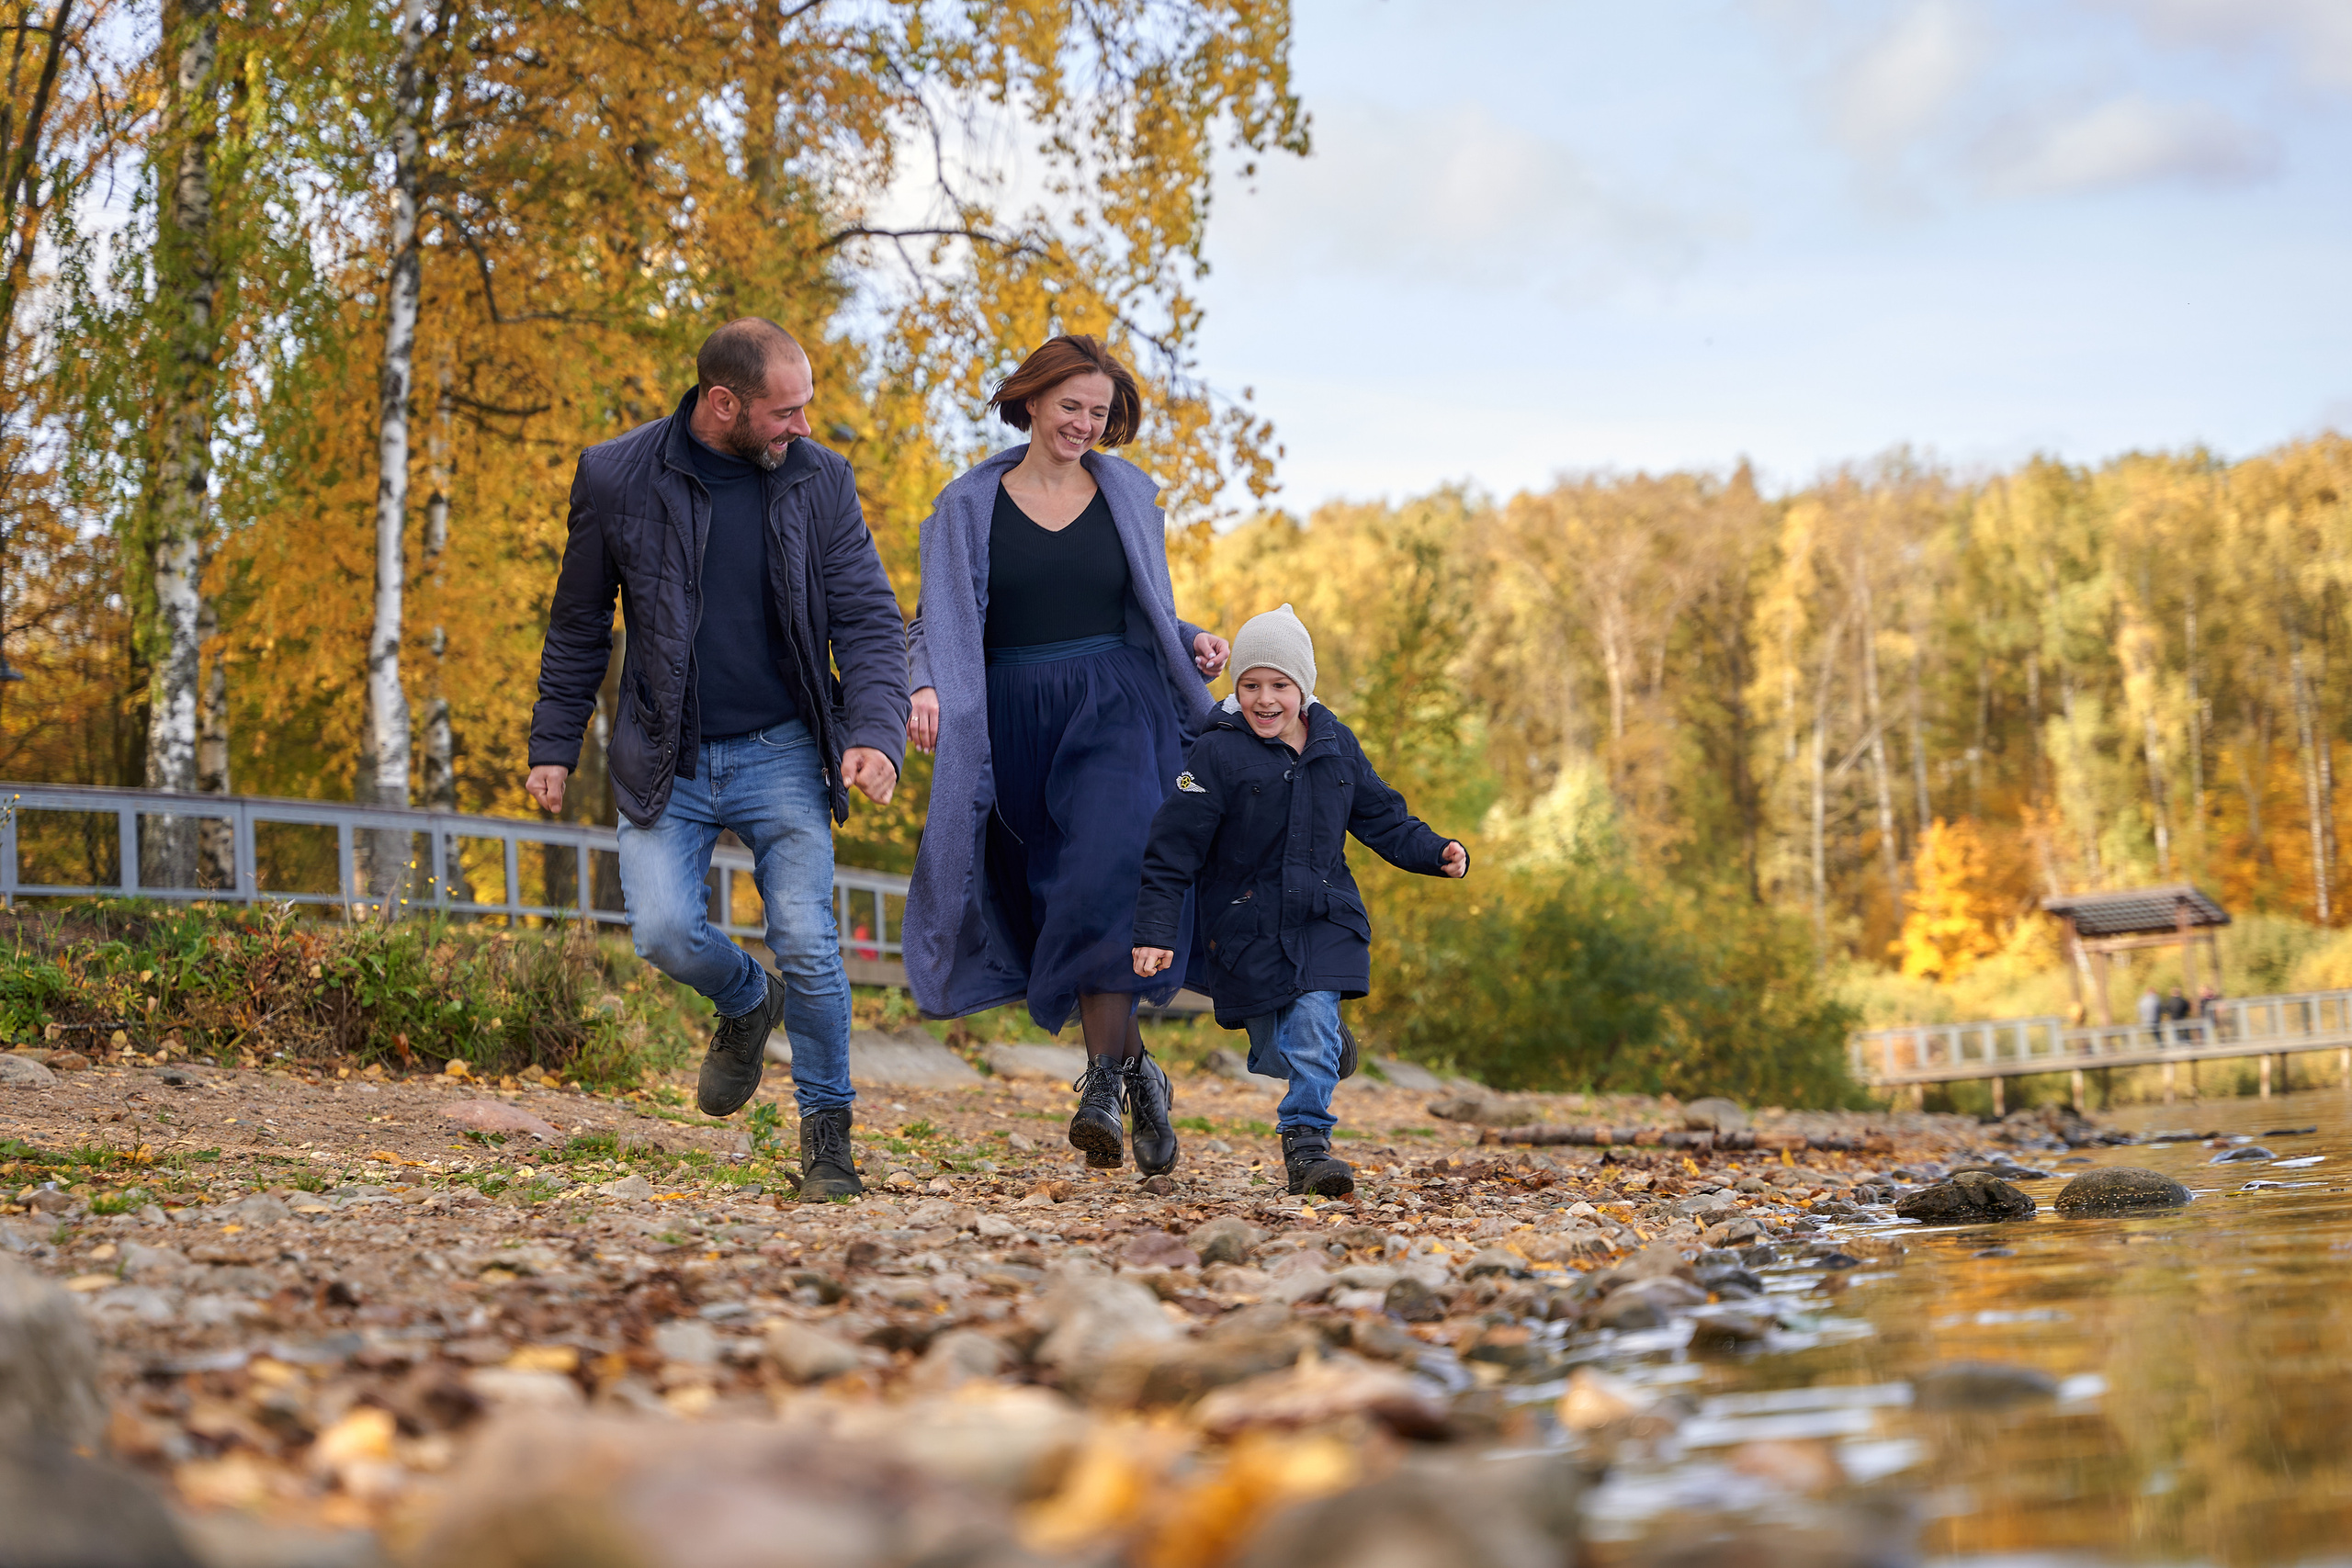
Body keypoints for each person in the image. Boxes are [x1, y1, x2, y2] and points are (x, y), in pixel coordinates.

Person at [526, 319, 909, 1201]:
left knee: (811, 944)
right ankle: (744, 999)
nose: (803, 427)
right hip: (669, 753)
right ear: (723, 402)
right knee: (661, 929)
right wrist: (554, 743)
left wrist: (873, 733)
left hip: (782, 751)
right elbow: (580, 623)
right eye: (787, 410)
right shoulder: (617, 475)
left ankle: (827, 1137)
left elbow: (869, 620)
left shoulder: (821, 480)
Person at [900, 333, 1230, 1175]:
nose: (1085, 423)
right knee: (1063, 903)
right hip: (1012, 717)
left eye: (1099, 411)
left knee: (1106, 870)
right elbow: (929, 623)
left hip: (1119, 704)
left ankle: (1098, 1085)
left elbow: (1146, 606)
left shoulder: (1125, 493)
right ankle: (1136, 1069)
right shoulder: (970, 505)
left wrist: (1192, 640)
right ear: (1034, 401)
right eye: (1071, 405)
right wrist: (921, 684)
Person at [1130, 604, 1468, 1197]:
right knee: (1275, 1048)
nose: (1265, 699)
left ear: (1303, 688)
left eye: (1279, 685)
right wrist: (1155, 930)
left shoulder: (1336, 746)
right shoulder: (1215, 756)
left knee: (1309, 1024)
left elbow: (1382, 817)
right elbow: (1172, 847)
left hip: (1323, 915)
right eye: (1250, 685)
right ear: (1236, 689)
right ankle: (1325, 1045)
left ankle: (1308, 1145)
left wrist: (1435, 851)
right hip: (1244, 925)